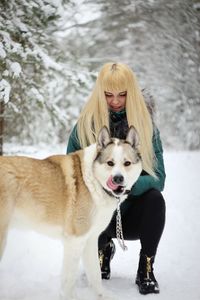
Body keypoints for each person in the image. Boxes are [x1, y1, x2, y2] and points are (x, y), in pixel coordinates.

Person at [66, 62, 166, 295]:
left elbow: (159, 178)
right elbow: (71, 172)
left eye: (122, 95)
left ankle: (147, 267)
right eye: (108, 95)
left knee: (155, 199)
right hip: (98, 215)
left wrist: (125, 188)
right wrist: (102, 187)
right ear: (100, 93)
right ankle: (101, 251)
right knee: (86, 199)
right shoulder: (84, 125)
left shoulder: (146, 126)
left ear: (131, 93)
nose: (115, 101)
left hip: (132, 213)